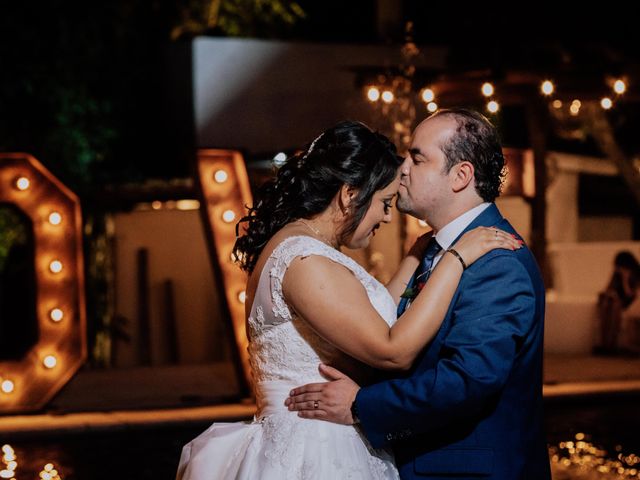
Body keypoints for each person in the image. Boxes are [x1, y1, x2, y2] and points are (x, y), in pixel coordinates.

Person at [176, 120, 520, 479]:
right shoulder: (305, 260)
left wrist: (416, 256)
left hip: (320, 435)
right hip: (316, 447)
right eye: (384, 203)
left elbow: (366, 318)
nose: (388, 216)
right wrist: (455, 258)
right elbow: (392, 350)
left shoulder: (304, 247)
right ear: (350, 194)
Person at [287, 109, 551, 479]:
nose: (402, 169)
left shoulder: (497, 262)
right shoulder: (431, 250)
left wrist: (361, 405)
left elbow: (467, 381)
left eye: (417, 157)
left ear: (460, 176)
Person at [596, 251, 640, 354]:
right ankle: (605, 344)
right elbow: (608, 289)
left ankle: (610, 344)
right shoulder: (616, 275)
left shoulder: (636, 274)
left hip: (630, 302)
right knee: (607, 303)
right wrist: (609, 294)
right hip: (616, 301)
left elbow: (630, 294)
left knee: (615, 306)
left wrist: (625, 278)